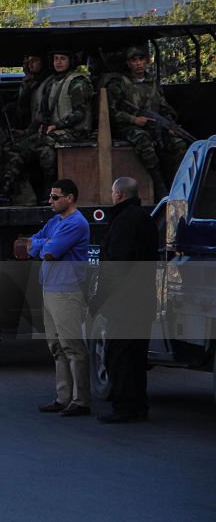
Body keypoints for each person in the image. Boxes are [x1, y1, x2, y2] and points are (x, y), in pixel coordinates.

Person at [96, 177, 159, 423]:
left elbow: (116, 264)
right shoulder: (146, 219)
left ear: (119, 194)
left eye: (112, 192)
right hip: (143, 299)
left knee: (118, 355)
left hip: (123, 302)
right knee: (136, 355)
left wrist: (102, 297)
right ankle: (138, 405)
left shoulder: (123, 222)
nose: (111, 196)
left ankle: (125, 407)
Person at [31, 178, 92, 417]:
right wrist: (40, 244)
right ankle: (63, 396)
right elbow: (33, 242)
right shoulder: (56, 221)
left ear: (70, 198)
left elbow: (49, 252)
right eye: (50, 196)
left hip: (66, 291)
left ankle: (81, 400)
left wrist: (40, 245)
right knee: (56, 345)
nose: (50, 201)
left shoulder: (76, 223)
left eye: (55, 197)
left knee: (72, 345)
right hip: (50, 288)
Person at [3, 50, 94, 202]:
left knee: (42, 146)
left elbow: (79, 114)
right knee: (19, 148)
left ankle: (49, 191)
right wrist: (34, 129)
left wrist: (56, 126)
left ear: (70, 61)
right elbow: (43, 112)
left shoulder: (77, 82)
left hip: (77, 132)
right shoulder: (52, 82)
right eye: (56, 59)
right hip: (56, 131)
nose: (58, 62)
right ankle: (9, 192)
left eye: (62, 59)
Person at [100, 46, 187, 198]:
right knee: (144, 141)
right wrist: (134, 119)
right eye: (134, 61)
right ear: (128, 64)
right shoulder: (119, 84)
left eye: (141, 60)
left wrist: (170, 125)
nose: (139, 64)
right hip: (129, 126)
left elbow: (164, 108)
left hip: (156, 124)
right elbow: (111, 113)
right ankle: (159, 185)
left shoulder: (152, 83)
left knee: (179, 144)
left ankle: (178, 185)